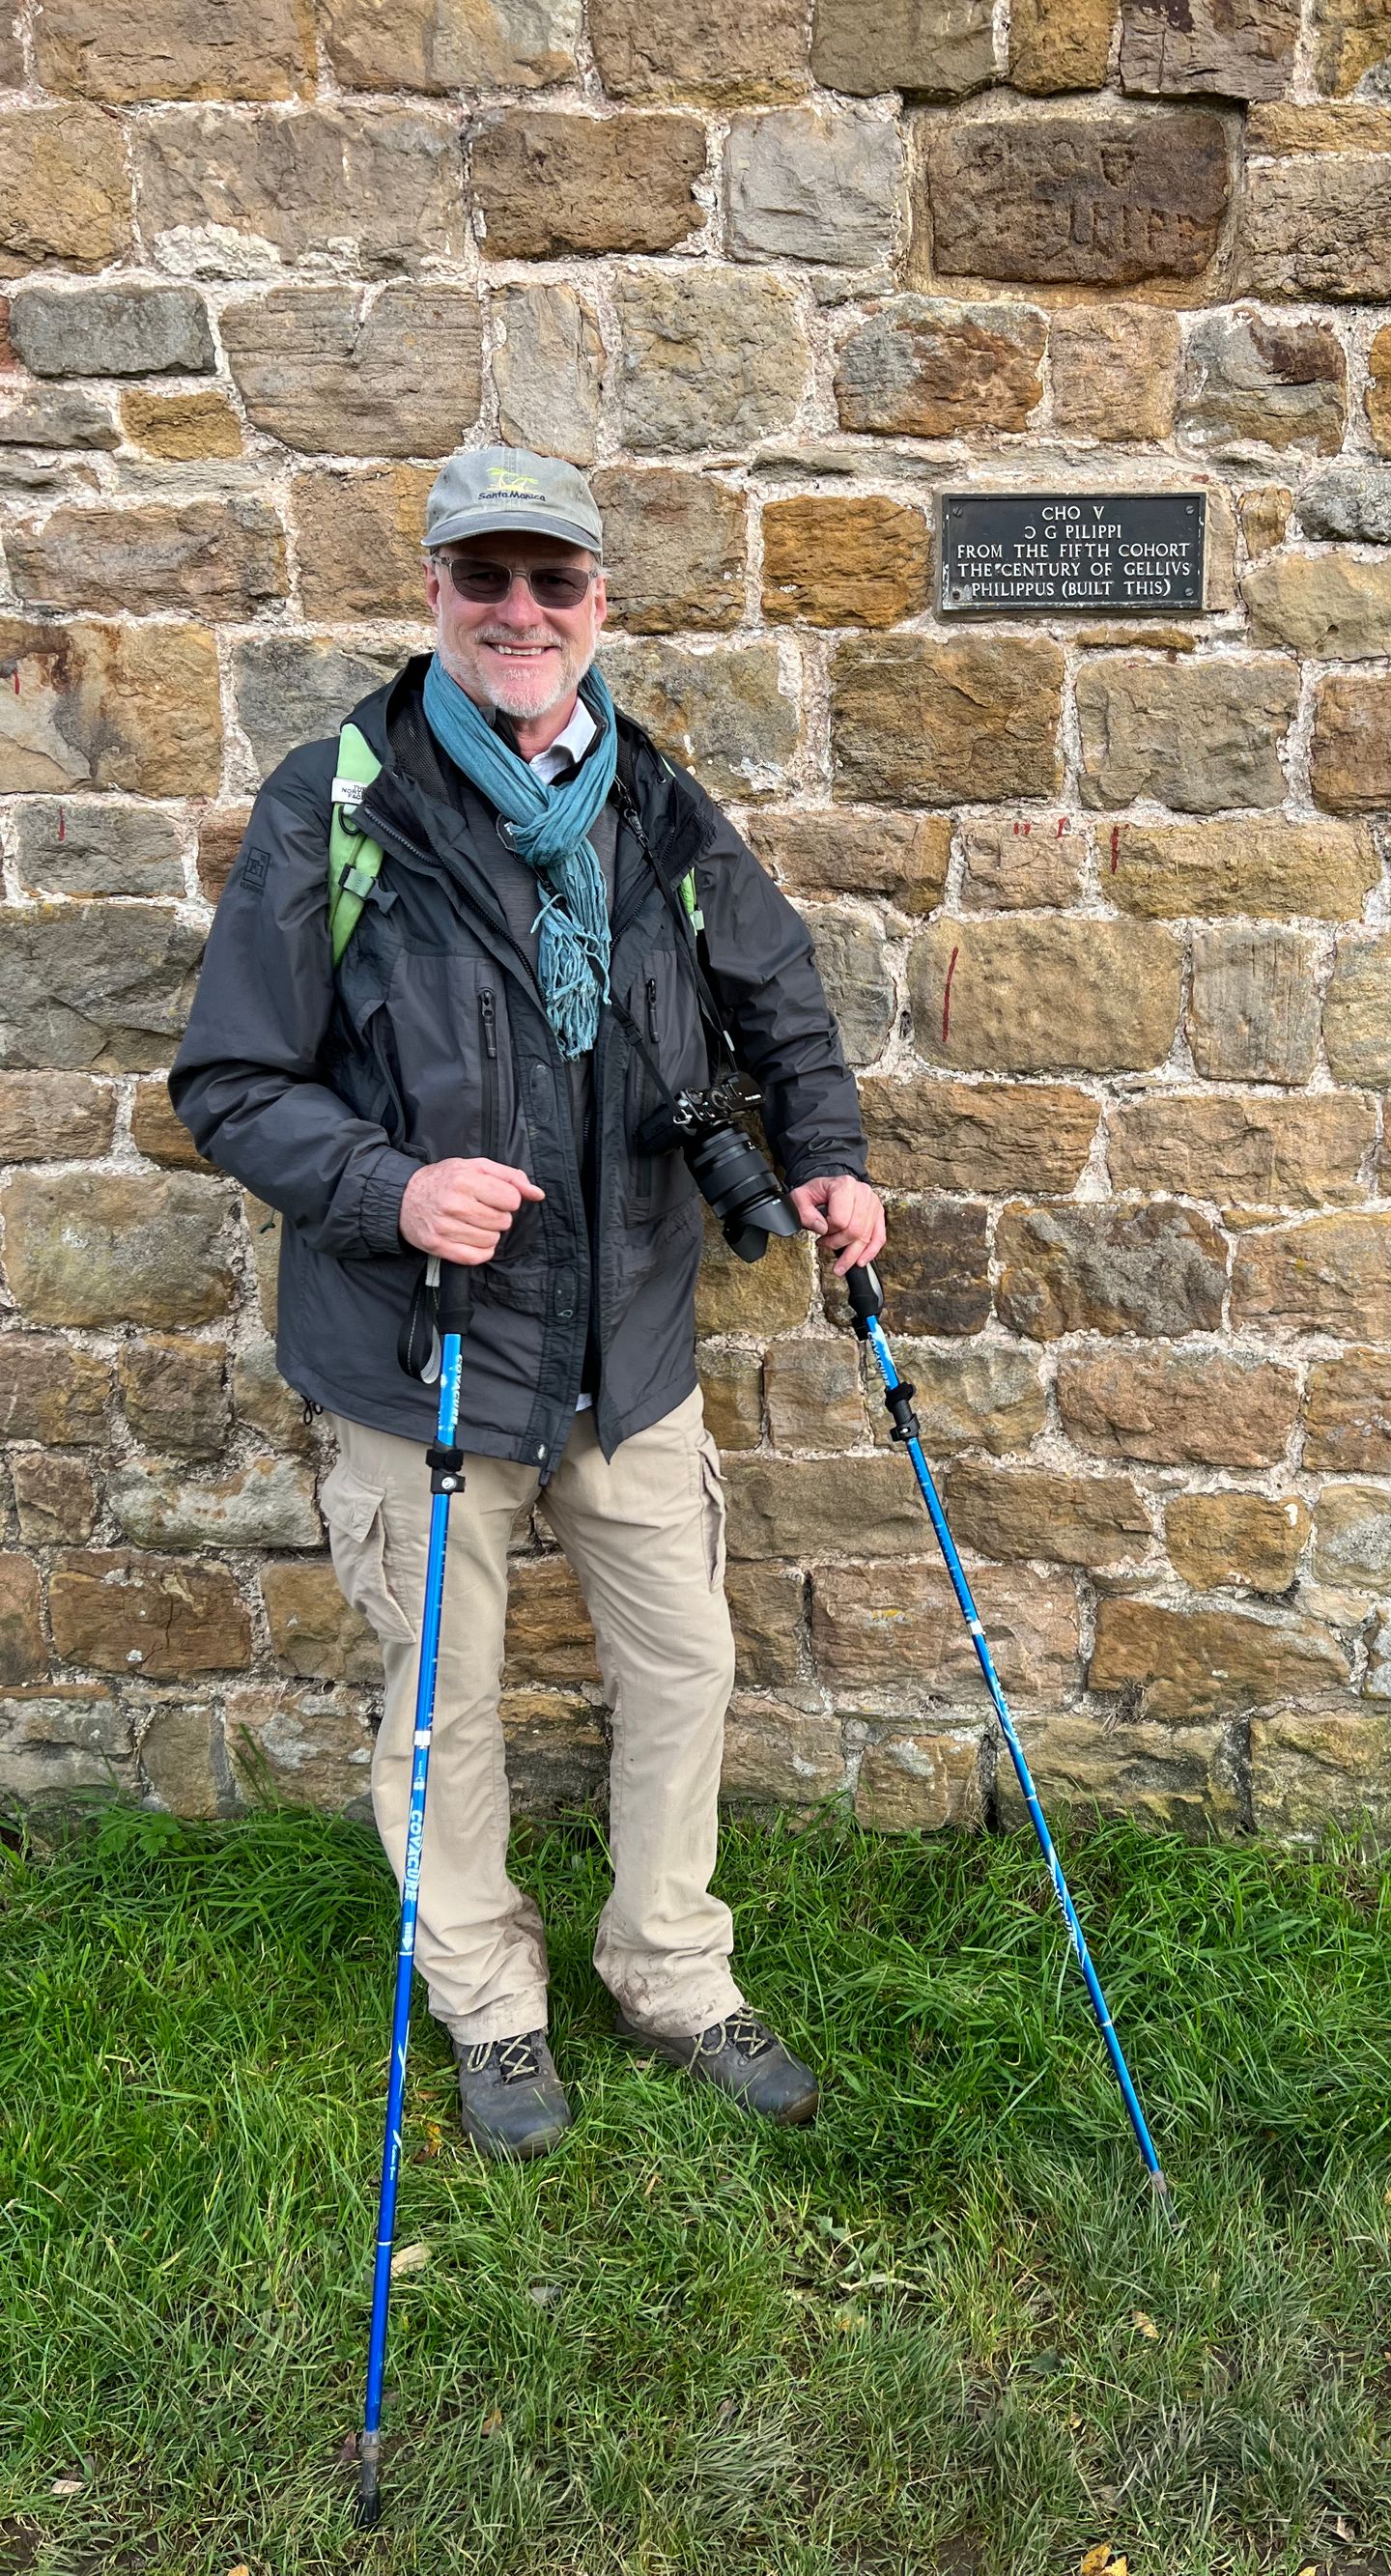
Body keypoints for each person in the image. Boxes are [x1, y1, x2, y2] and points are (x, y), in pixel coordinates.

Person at [171, 447, 886, 2159]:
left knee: (686, 1669)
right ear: (433, 592)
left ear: (598, 603)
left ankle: (673, 1974)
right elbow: (232, 1080)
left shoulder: (656, 798)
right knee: (444, 1710)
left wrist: (830, 1156)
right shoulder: (339, 805)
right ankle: (490, 2004)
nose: (519, 612)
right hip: (421, 1351)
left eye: (552, 581)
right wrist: (390, 1187)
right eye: (484, 578)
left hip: (628, 1349)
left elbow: (777, 998)